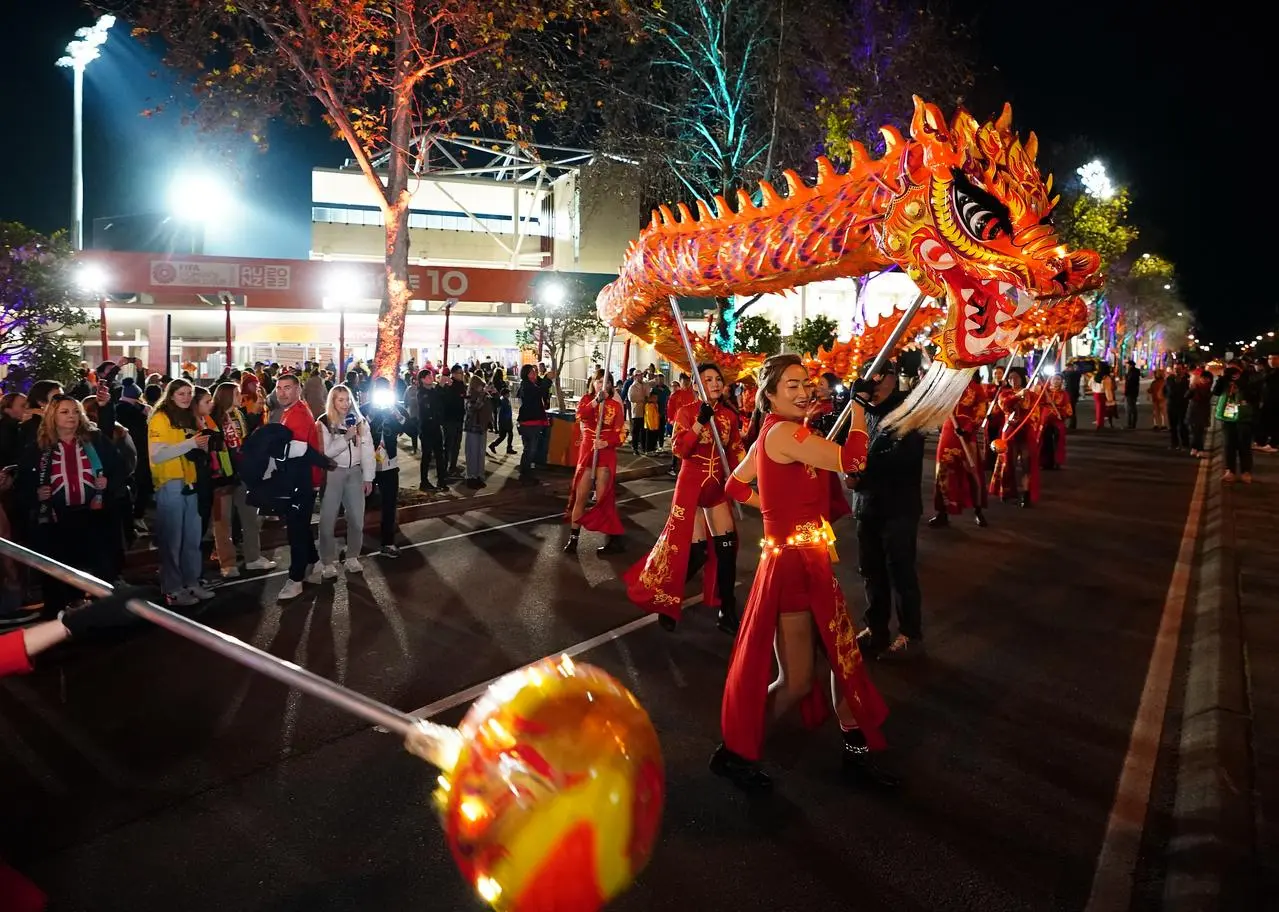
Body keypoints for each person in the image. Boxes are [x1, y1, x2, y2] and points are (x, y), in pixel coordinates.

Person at [711, 353, 893, 792]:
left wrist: (777, 511)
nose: (802, 389)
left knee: (840, 658)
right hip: (794, 568)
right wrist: (860, 413)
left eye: (804, 382)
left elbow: (736, 486)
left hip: (803, 559)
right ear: (768, 395)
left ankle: (856, 754)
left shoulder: (780, 435)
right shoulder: (786, 434)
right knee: (797, 679)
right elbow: (853, 461)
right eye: (790, 384)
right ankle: (735, 752)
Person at [624, 363, 744, 634]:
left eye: (717, 379)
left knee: (727, 549)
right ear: (696, 385)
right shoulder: (687, 412)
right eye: (707, 380)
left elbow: (735, 450)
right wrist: (700, 422)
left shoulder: (728, 416)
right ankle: (665, 599)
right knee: (694, 553)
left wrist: (741, 479)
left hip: (716, 490)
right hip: (691, 488)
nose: (714, 384)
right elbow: (681, 449)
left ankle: (727, 609)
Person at [852, 359, 927, 660]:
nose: (873, 384)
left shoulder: (909, 409)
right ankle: (876, 627)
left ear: (893, 378)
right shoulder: (860, 411)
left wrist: (861, 470)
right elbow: (845, 444)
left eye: (879, 376)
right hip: (866, 505)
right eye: (868, 377)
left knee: (900, 572)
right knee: (871, 570)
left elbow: (902, 457)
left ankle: (910, 632)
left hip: (899, 506)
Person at [563, 370, 626, 555]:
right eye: (598, 381)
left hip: (605, 452)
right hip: (587, 451)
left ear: (610, 385)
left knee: (603, 498)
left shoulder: (616, 406)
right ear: (592, 383)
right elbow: (580, 415)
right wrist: (596, 401)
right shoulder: (586, 400)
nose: (601, 385)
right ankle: (573, 539)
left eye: (605, 382)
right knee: (580, 495)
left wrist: (607, 442)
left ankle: (613, 539)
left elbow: (621, 433)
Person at [316, 384, 375, 576]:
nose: (345, 403)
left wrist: (368, 478)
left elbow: (367, 450)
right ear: (332, 401)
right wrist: (346, 438)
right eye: (340, 400)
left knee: (357, 519)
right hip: (334, 473)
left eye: (347, 399)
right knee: (328, 519)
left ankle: (352, 557)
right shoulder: (324, 422)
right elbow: (326, 453)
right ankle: (327, 561)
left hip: (355, 473)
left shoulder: (360, 421)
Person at [929, 371, 988, 528]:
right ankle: (942, 512)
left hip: (966, 433)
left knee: (972, 470)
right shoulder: (948, 387)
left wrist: (969, 427)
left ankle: (978, 510)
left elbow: (981, 411)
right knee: (943, 469)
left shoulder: (977, 389)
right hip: (949, 431)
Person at [989, 367, 1040, 508]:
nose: (1013, 380)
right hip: (1010, 432)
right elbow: (1004, 405)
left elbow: (1036, 413)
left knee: (1026, 463)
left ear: (1022, 378)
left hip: (1026, 431)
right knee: (1008, 463)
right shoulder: (1004, 393)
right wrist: (1018, 396)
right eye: (1010, 378)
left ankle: (1026, 493)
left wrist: (1031, 423)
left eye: (1016, 377)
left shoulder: (1031, 394)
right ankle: (1006, 491)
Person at [1038, 374, 1072, 470]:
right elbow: (1037, 403)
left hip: (1057, 419)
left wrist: (1063, 413)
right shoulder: (1044, 391)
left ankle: (1057, 461)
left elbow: (1068, 407)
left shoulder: (1064, 394)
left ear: (1061, 381)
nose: (1056, 381)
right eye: (1054, 379)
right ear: (1050, 380)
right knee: (1044, 440)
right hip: (1045, 419)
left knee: (1058, 440)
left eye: (1058, 379)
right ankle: (1044, 462)